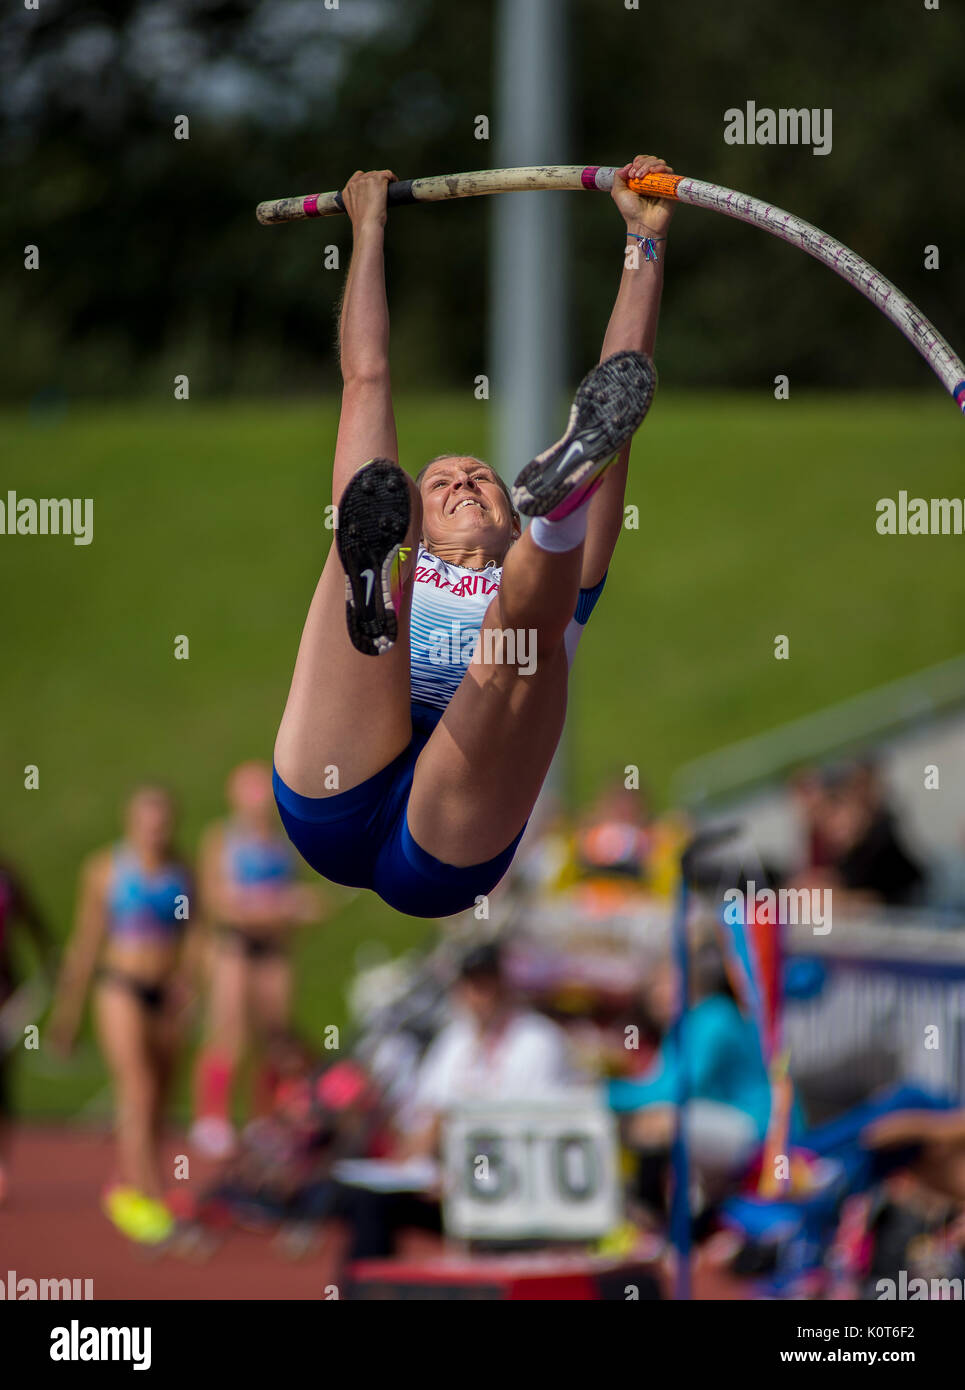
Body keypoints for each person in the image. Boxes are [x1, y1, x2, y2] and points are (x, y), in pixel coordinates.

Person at [272, 154, 674, 918]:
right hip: (339, 769)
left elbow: (625, 382)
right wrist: (369, 231)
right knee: (359, 529)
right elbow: (367, 377)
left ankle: (560, 505)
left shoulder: (543, 574)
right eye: (443, 479)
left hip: (447, 843)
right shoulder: (403, 539)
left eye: (480, 478)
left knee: (524, 636)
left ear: (507, 510)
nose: (461, 479)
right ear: (419, 514)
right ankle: (374, 572)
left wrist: (642, 243)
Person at [48, 785, 196, 1244]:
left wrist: (189, 981)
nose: (155, 831)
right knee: (139, 1088)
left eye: (162, 822)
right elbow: (87, 941)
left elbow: (195, 931)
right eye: (147, 822)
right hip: (120, 987)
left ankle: (133, 1183)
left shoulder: (181, 871)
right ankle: (150, 1200)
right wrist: (67, 1015)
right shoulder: (106, 868)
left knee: (162, 1097)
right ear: (130, 821)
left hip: (164, 992)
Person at [191, 760, 325, 1159]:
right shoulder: (223, 839)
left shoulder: (281, 844)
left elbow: (292, 895)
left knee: (275, 1033)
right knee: (228, 1030)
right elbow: (218, 903)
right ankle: (212, 1118)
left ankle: (262, 1118)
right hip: (235, 947)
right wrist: (283, 907)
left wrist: (292, 908)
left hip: (272, 950)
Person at [0, 853, 55, 1204]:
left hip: (4, 993)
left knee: (1, 1082)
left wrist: (52, 962)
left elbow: (36, 924)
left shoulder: (8, 879)